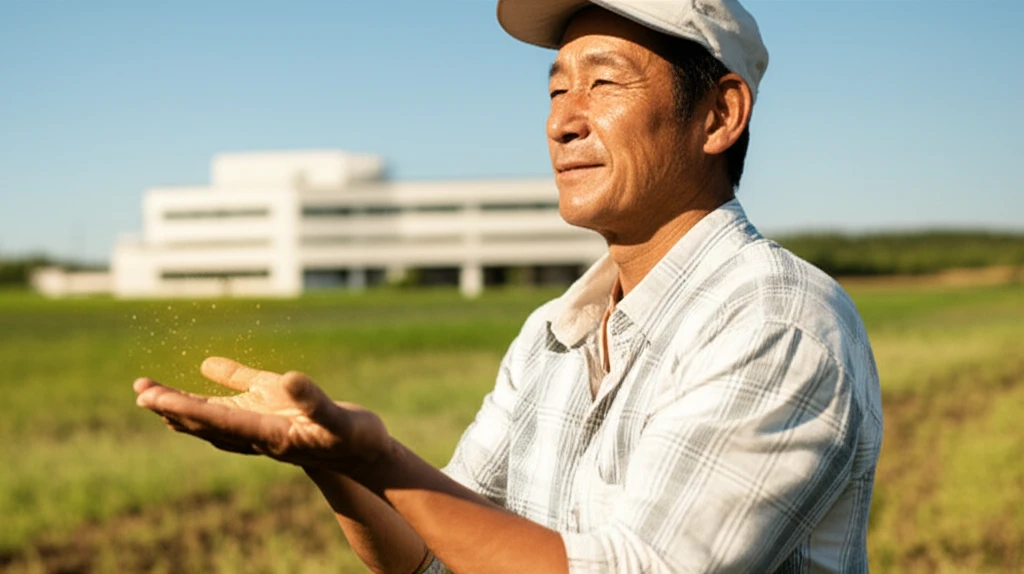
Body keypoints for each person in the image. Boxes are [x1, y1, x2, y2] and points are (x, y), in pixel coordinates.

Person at [133, 1, 883, 572]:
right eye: (557, 90)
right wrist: (330, 459)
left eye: (603, 82)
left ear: (720, 114)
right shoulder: (554, 334)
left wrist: (380, 459)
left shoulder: (774, 322)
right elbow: (434, 555)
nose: (564, 122)